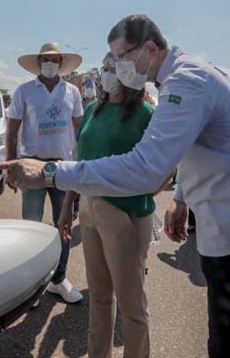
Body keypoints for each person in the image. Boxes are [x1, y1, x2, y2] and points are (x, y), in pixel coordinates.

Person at [0, 15, 230, 357]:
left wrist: (50, 173)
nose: (116, 67)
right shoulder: (176, 81)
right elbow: (192, 148)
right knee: (225, 342)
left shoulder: (186, 81)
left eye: (121, 57)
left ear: (149, 48)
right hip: (229, 226)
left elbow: (147, 168)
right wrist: (181, 198)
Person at [57, 53, 155, 358]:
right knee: (99, 296)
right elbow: (80, 163)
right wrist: (67, 207)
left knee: (132, 304)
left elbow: (161, 169)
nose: (106, 74)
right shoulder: (91, 110)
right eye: (105, 68)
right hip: (89, 209)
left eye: (113, 68)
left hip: (125, 214)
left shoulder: (146, 114)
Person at [6, 42, 86, 304]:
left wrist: (79, 166)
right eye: (45, 59)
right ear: (39, 62)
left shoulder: (72, 92)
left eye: (55, 59)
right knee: (30, 225)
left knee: (62, 227)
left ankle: (58, 279)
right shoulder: (25, 91)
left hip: (63, 168)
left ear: (62, 64)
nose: (50, 63)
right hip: (32, 167)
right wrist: (11, 166)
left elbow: (78, 132)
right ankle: (32, 282)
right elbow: (12, 132)